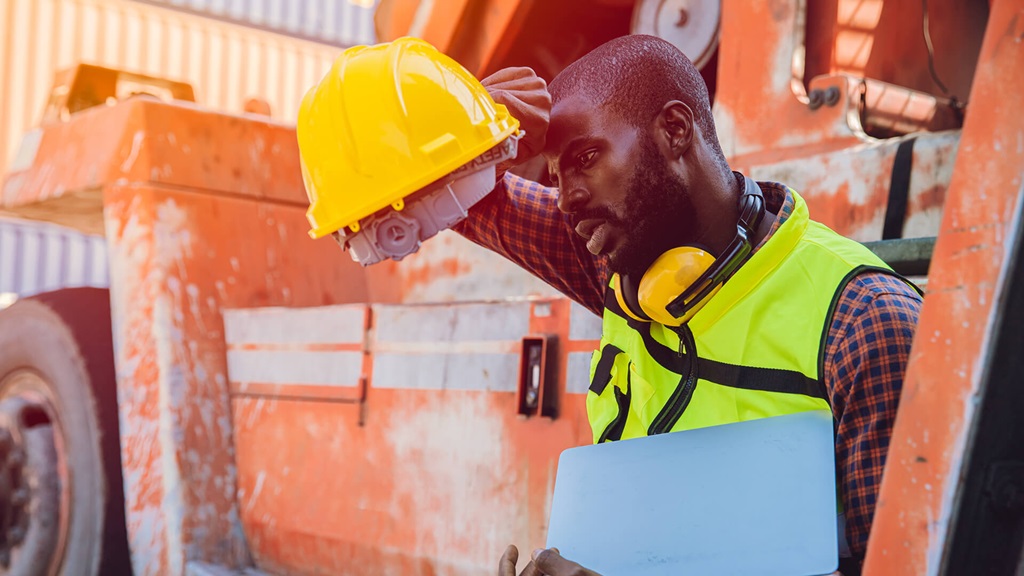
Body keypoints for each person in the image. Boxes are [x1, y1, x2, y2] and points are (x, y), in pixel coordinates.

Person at [455, 35, 922, 576]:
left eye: (585, 158)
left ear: (675, 131)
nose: (566, 199)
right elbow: (461, 199)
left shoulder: (864, 325)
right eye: (557, 178)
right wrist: (468, 123)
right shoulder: (618, 265)